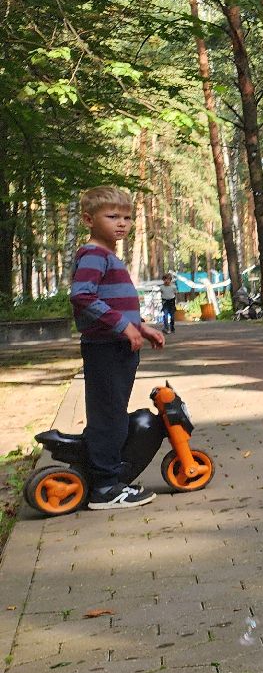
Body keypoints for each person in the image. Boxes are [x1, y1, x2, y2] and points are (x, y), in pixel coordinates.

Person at [69, 186, 164, 510]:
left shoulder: (108, 255)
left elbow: (113, 304)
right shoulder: (94, 254)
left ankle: (104, 477)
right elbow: (82, 296)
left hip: (117, 346)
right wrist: (123, 325)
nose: (121, 223)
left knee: (112, 414)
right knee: (109, 417)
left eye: (126, 217)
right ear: (88, 219)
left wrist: (140, 327)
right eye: (112, 216)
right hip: (106, 348)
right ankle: (106, 488)